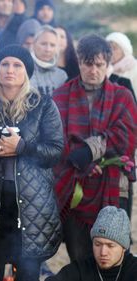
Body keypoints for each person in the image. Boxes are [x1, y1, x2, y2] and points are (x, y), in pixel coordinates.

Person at [0, 45, 63, 281]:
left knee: (26, 274)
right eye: (5, 64)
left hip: (31, 206)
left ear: (26, 70)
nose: (10, 70)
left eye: (17, 65)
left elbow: (55, 152)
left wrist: (21, 147)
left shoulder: (43, 105)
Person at [52, 34, 137, 262]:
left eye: (99, 64)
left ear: (108, 64)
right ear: (79, 61)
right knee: (79, 256)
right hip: (75, 188)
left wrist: (90, 152)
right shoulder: (61, 95)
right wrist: (82, 165)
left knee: (114, 256)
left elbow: (126, 136)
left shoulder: (122, 96)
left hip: (114, 186)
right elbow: (55, 140)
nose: (93, 70)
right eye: (88, 64)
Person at [46, 206, 137, 281]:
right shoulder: (81, 268)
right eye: (98, 244)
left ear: (124, 247)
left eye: (110, 246)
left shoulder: (133, 269)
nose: (103, 252)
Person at [30, 25, 67, 96]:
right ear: (34, 44)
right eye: (43, 44)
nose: (48, 49)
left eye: (52, 45)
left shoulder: (61, 76)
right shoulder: (24, 71)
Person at [106, 32, 137, 97]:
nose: (110, 52)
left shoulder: (134, 67)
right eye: (108, 48)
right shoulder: (105, 69)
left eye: (114, 48)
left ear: (124, 50)